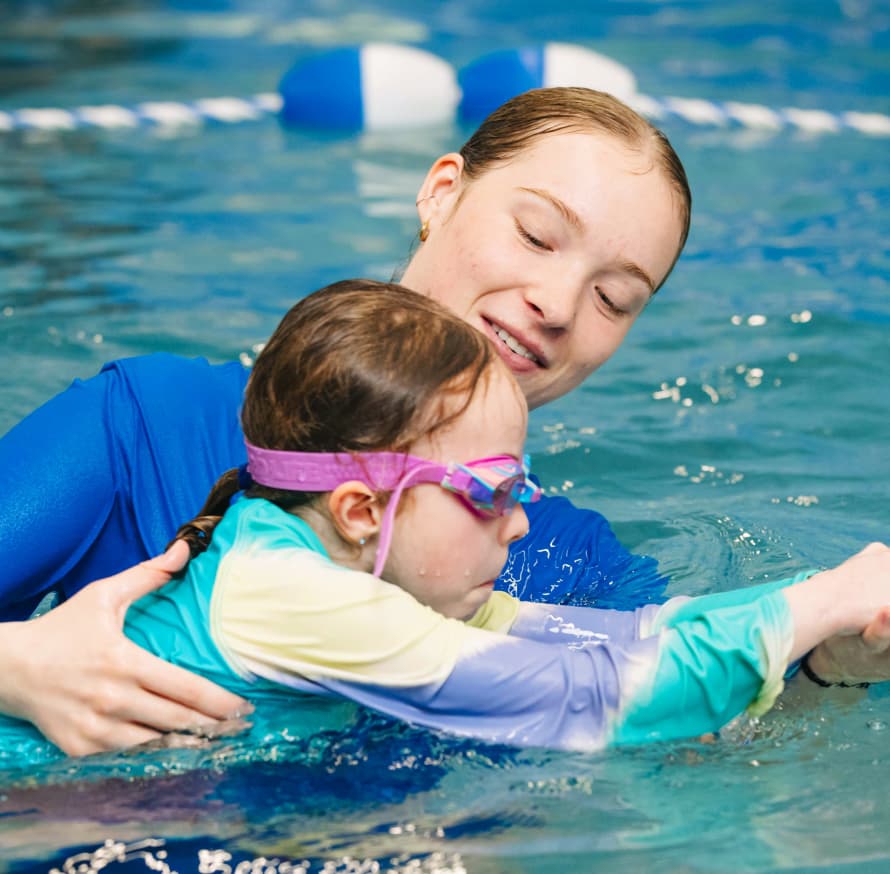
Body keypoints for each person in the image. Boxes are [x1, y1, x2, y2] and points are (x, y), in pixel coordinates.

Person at [0, 87, 887, 757]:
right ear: (440, 193)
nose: (556, 303)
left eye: (617, 298)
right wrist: (18, 668)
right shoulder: (143, 423)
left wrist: (834, 660)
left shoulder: (559, 552)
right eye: (538, 237)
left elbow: (685, 716)